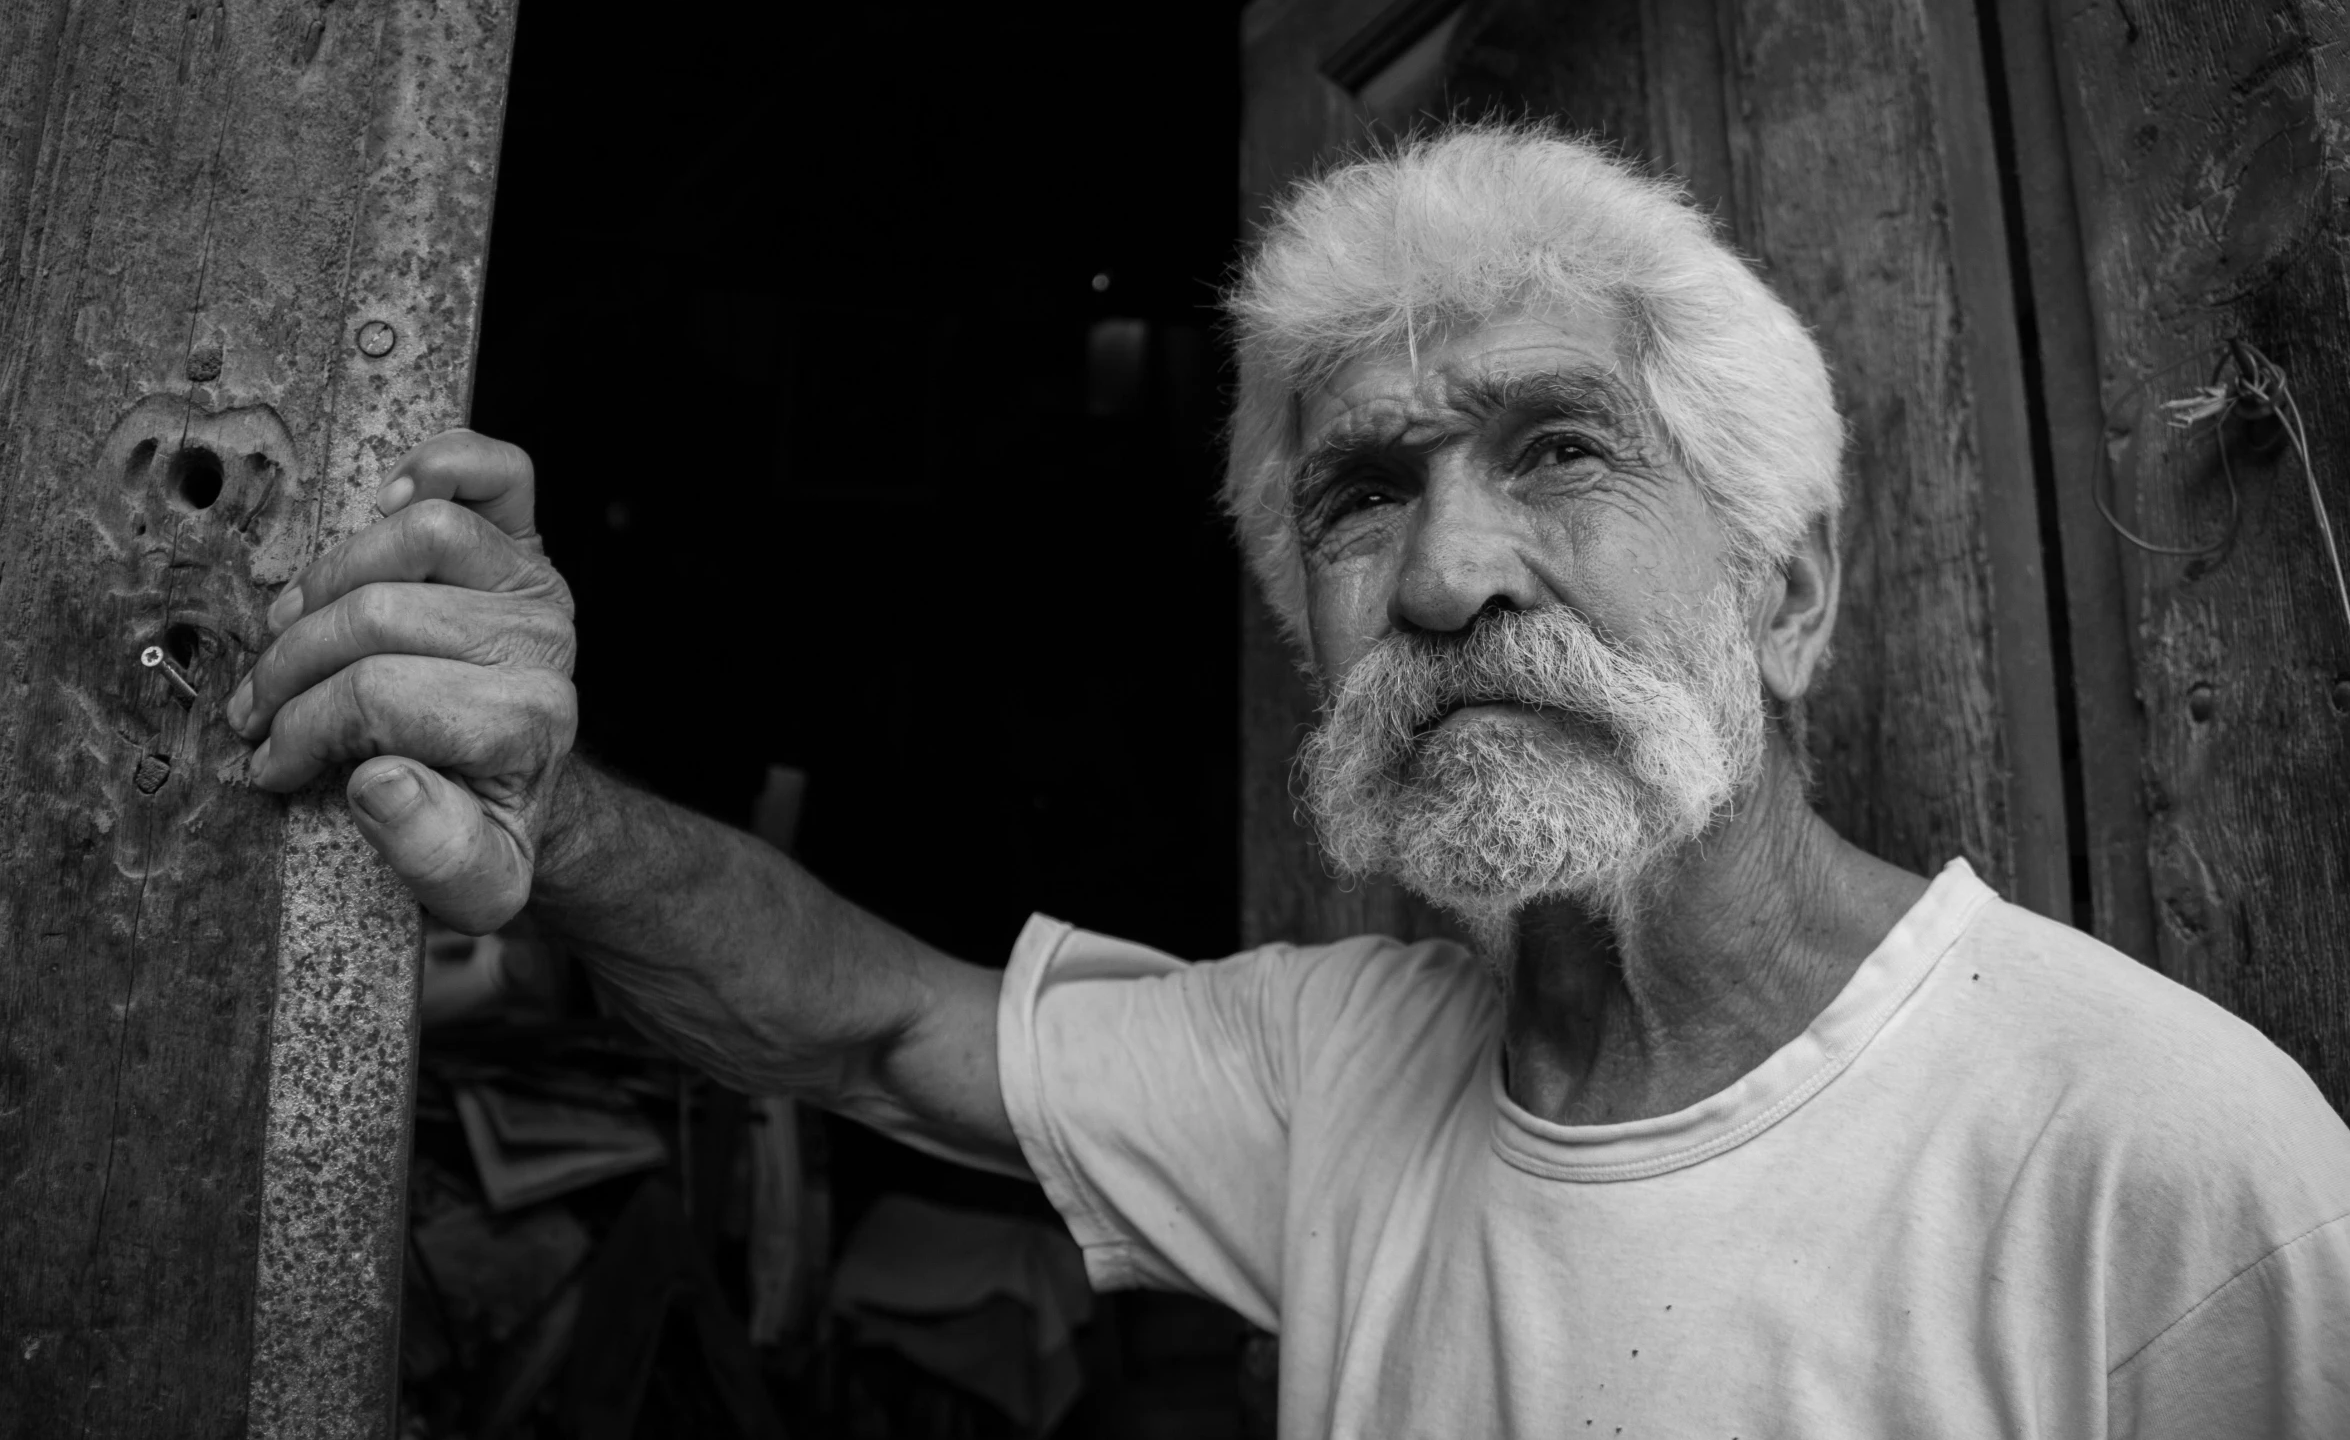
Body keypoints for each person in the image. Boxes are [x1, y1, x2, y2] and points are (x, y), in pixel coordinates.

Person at [228, 125, 2350, 1435]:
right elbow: (866, 1023)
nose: (1441, 573)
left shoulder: (2157, 1160)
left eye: (1555, 448)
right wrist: (552, 807)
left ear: (1785, 592)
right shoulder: (1341, 1070)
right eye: (1360, 494)